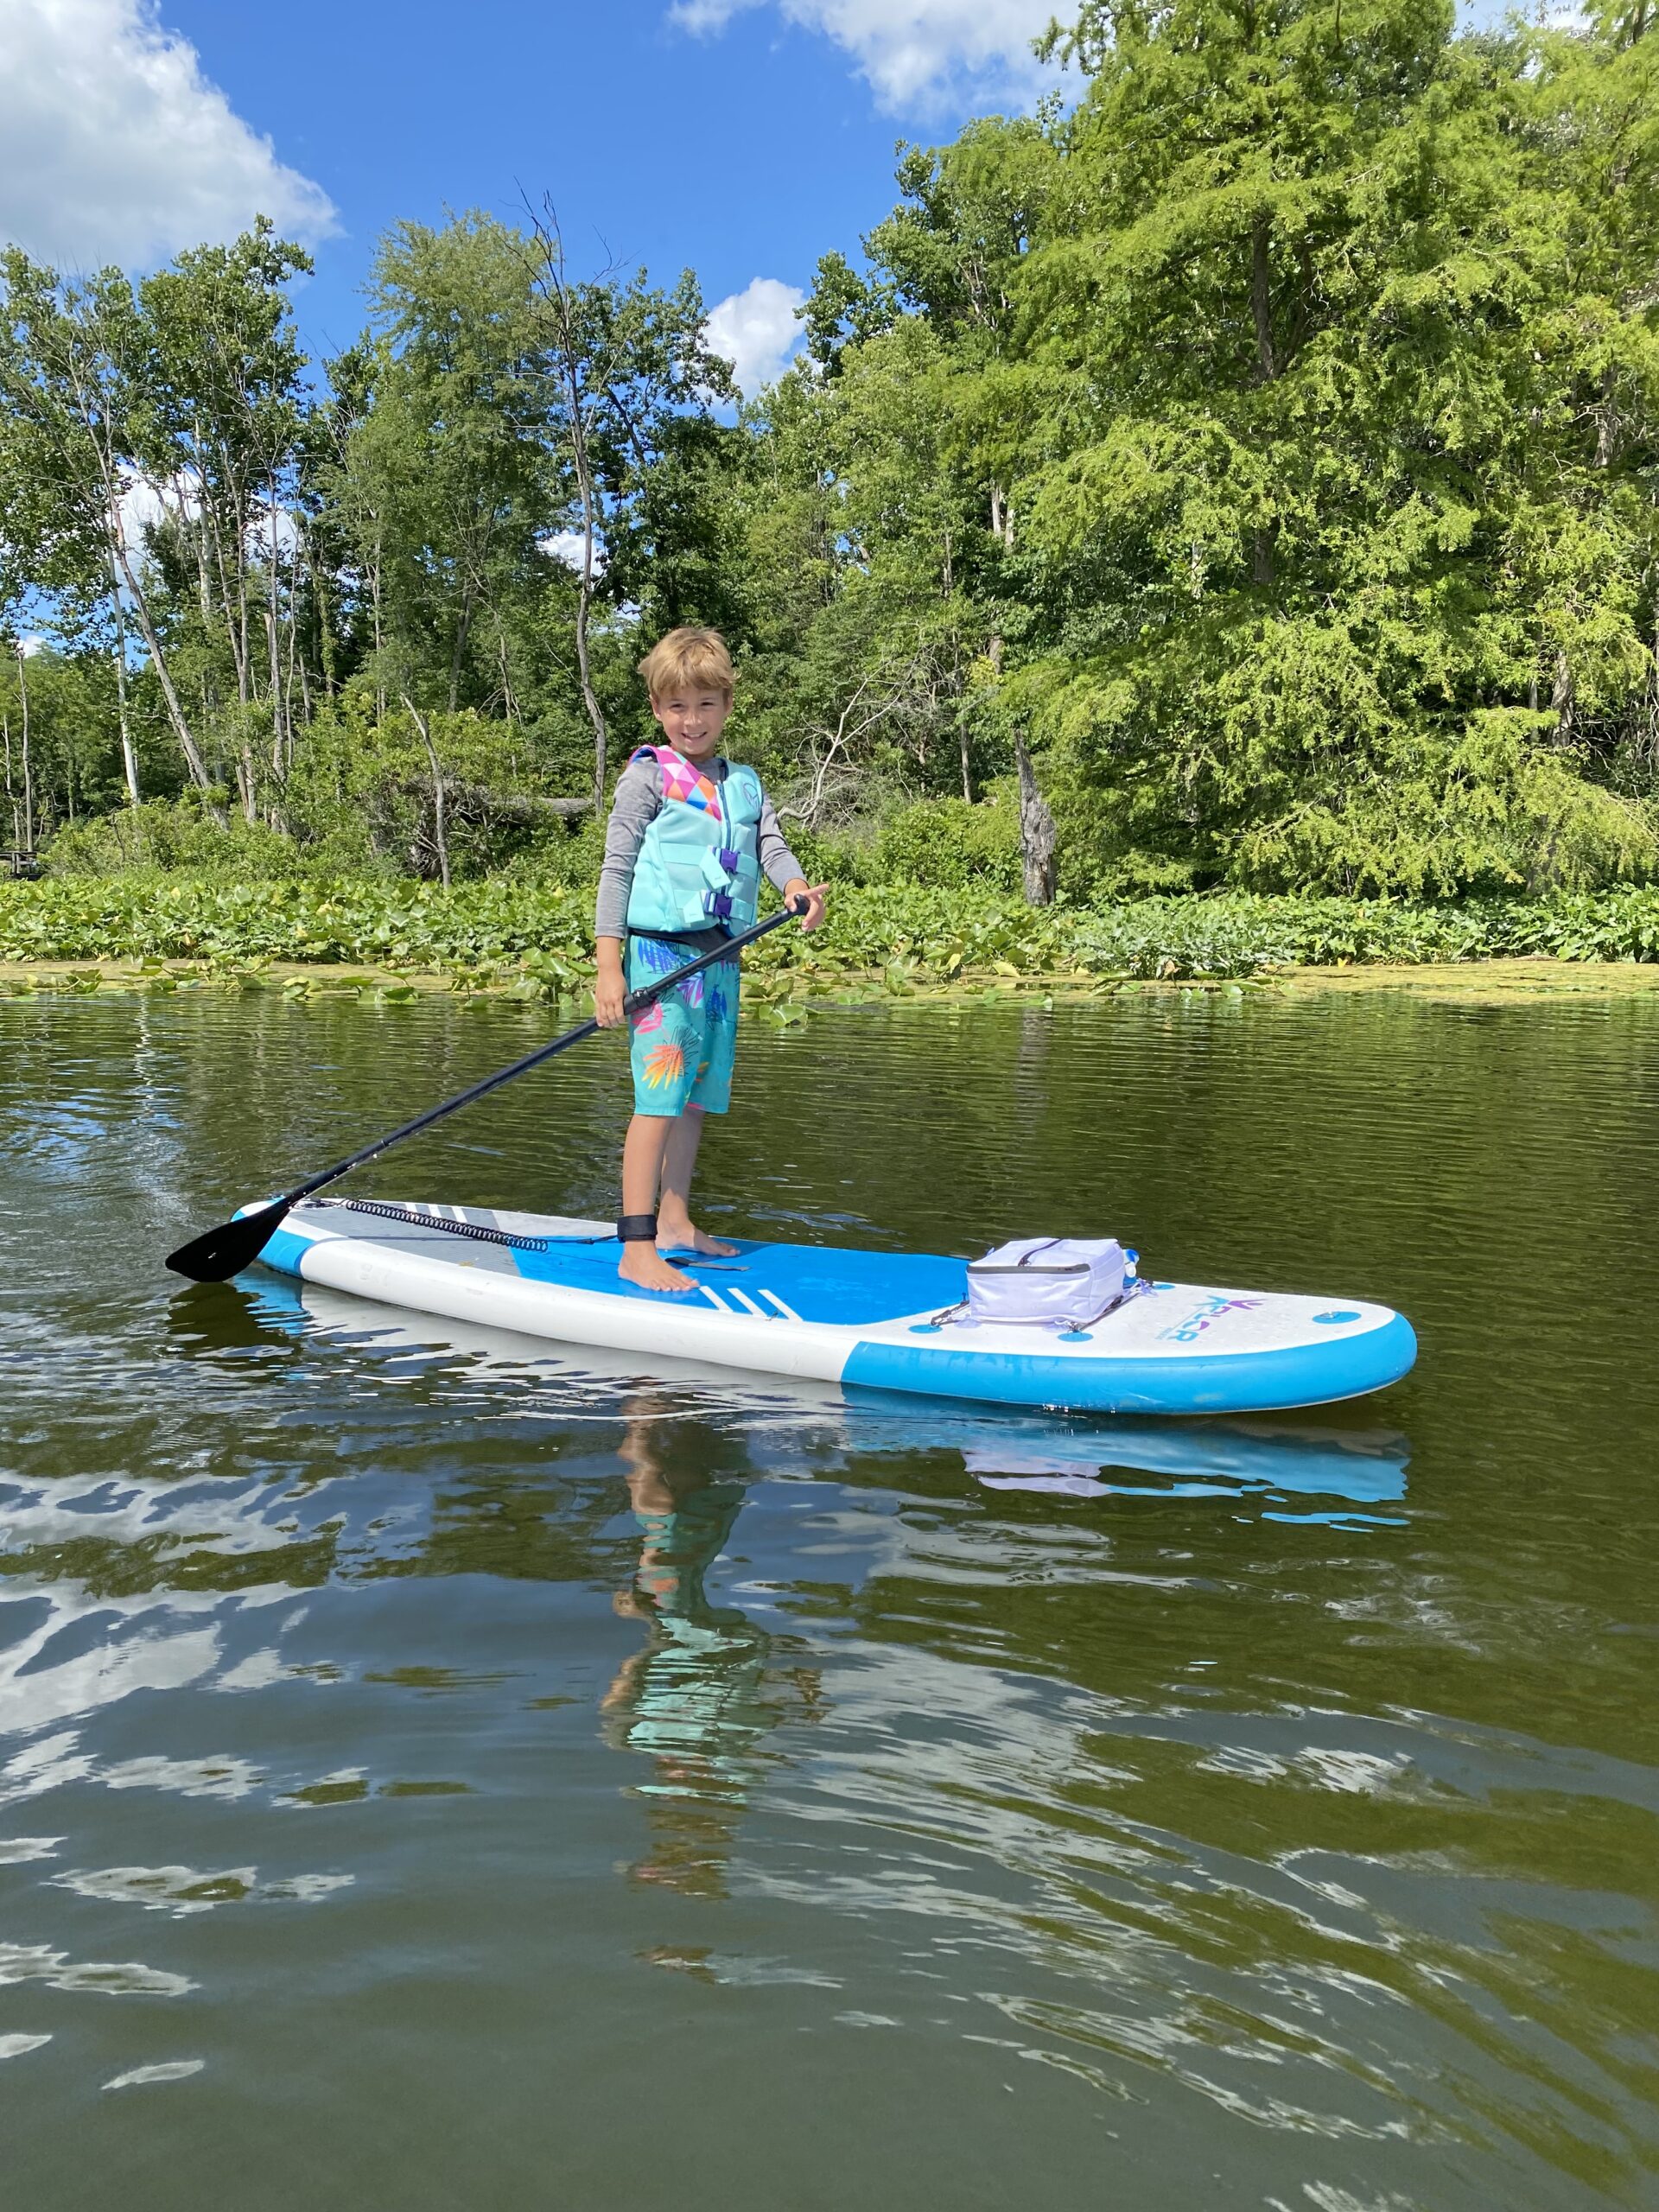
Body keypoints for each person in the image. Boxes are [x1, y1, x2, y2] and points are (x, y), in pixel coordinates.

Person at [593, 627, 826, 1293]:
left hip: (721, 961)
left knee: (694, 1101)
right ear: (657, 709)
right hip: (660, 961)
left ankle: (674, 1221)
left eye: (704, 705)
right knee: (657, 1103)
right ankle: (636, 1246)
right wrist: (610, 969)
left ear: (727, 705)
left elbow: (771, 849)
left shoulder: (745, 785)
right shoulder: (647, 777)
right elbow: (615, 872)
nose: (690, 720)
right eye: (676, 706)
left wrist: (796, 886)